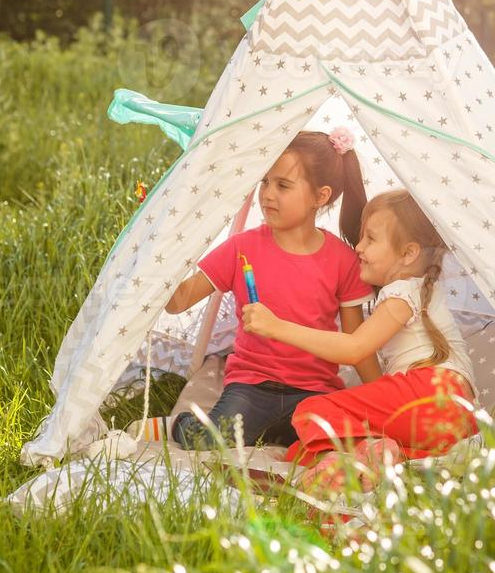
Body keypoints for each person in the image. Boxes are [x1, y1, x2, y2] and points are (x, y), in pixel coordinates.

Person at [145, 126, 379, 450]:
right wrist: (160, 257)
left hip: (315, 390)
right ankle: (180, 425)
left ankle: (271, 432)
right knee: (209, 441)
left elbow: (357, 345)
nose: (267, 194)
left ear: (320, 196)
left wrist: (384, 398)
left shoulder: (343, 259)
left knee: (341, 445)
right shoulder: (241, 247)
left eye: (283, 185)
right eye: (265, 181)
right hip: (251, 386)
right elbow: (180, 300)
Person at [241, 189, 479, 495]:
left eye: (370, 239)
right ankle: (377, 459)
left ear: (408, 254)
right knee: (301, 450)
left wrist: (277, 327)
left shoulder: (401, 292)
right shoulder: (424, 291)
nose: (358, 247)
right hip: (458, 418)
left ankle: (364, 455)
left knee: (311, 411)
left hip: (431, 392)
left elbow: (354, 348)